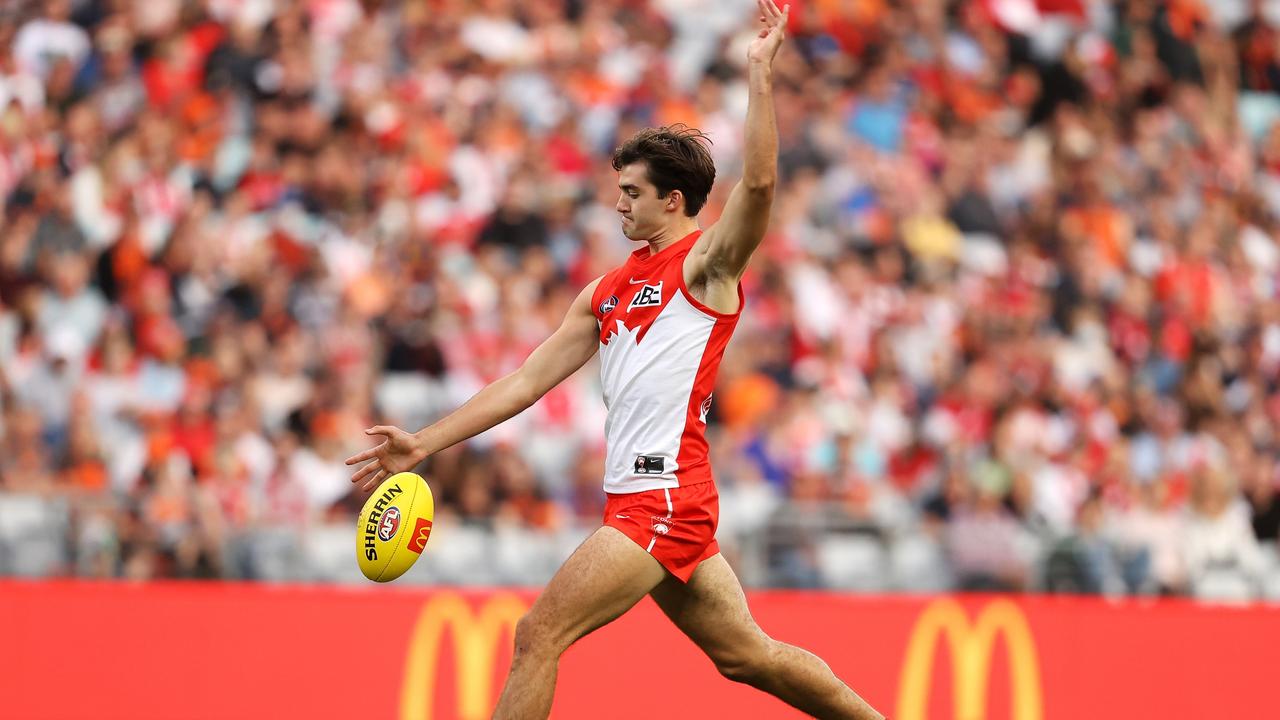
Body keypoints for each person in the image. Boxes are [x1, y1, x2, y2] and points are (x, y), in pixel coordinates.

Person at [346, 3, 883, 718]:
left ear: (674, 199)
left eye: (631, 194)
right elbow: (527, 380)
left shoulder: (705, 266)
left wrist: (759, 77)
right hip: (651, 497)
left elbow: (757, 190)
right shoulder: (607, 290)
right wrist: (424, 443)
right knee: (747, 656)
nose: (618, 206)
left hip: (657, 498)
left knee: (538, 634)